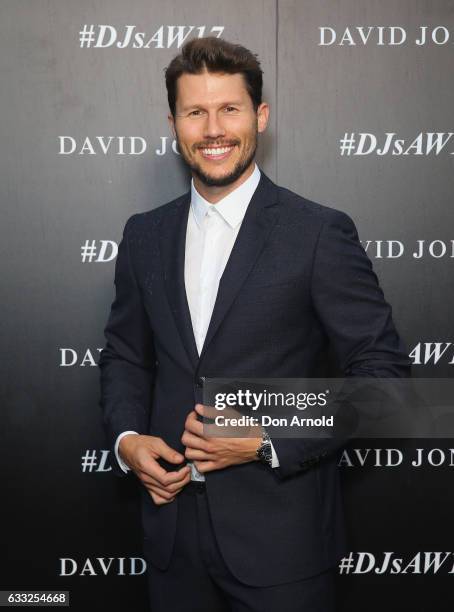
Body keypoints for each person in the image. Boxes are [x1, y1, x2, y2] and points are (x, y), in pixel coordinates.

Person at [99, 36, 411, 612]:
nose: (213, 128)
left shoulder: (317, 232)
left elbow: (386, 382)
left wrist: (268, 441)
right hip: (171, 542)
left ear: (259, 116)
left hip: (282, 546)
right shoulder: (143, 234)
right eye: (196, 112)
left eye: (230, 109)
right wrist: (127, 441)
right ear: (174, 123)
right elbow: (126, 356)